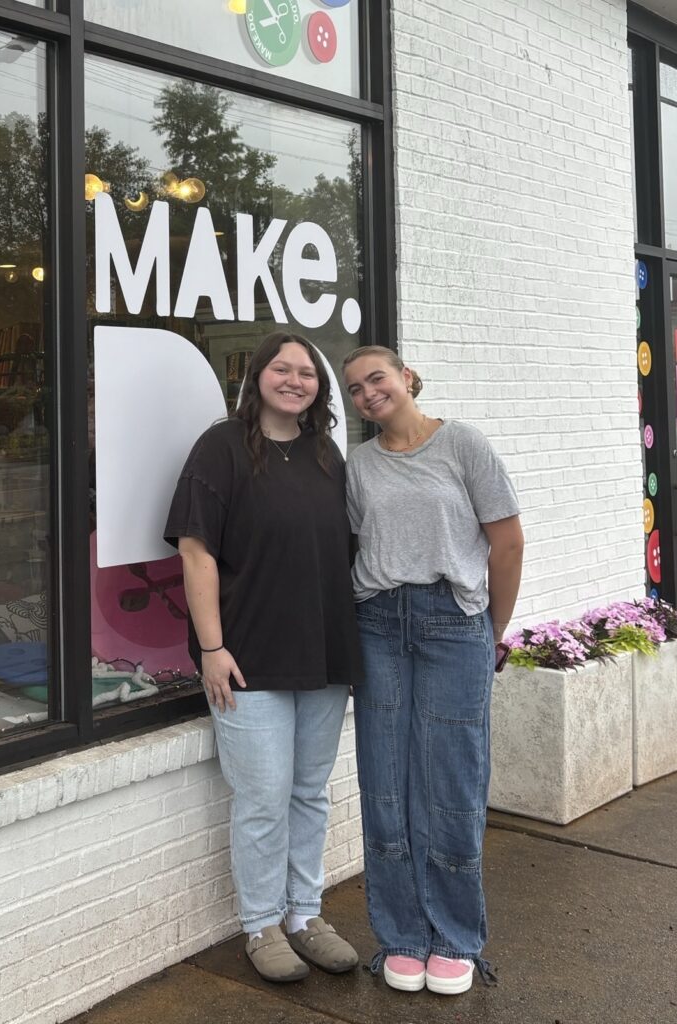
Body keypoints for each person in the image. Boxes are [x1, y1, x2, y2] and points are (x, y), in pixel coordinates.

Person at [164, 331, 364, 983]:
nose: (295, 379)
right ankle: (261, 926)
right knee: (261, 798)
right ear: (257, 378)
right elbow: (196, 554)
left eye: (308, 372)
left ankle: (305, 913)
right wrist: (213, 648)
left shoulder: (327, 456)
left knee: (309, 793)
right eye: (283, 368)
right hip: (247, 659)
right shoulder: (219, 449)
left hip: (325, 652)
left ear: (319, 389)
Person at [341, 345, 524, 995]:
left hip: (455, 623)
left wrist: (488, 632)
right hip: (379, 626)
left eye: (377, 378)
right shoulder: (358, 466)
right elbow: (357, 547)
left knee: (452, 779)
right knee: (386, 784)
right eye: (356, 389)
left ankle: (453, 936)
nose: (368, 393)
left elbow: (507, 543)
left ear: (407, 377)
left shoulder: (463, 446)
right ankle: (401, 934)